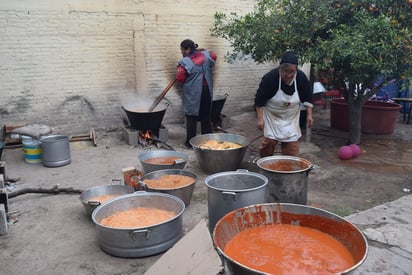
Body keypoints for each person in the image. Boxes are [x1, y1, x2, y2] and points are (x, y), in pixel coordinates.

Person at [254, 50, 313, 157]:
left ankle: (287, 170)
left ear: (296, 70)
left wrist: (309, 115)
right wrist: (260, 118)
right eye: (286, 71)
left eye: (292, 72)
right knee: (269, 143)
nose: (289, 75)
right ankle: (264, 164)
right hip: (272, 116)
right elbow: (259, 100)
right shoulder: (270, 78)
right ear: (280, 68)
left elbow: (307, 97)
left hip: (291, 117)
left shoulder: (300, 77)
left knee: (291, 149)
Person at [176, 39, 217, 148]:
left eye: (182, 50)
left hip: (193, 93)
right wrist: (204, 50)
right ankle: (208, 142)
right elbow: (214, 56)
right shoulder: (206, 56)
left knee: (191, 117)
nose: (181, 52)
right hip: (207, 90)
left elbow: (180, 78)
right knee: (205, 116)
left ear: (188, 49)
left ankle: (190, 143)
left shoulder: (185, 63)